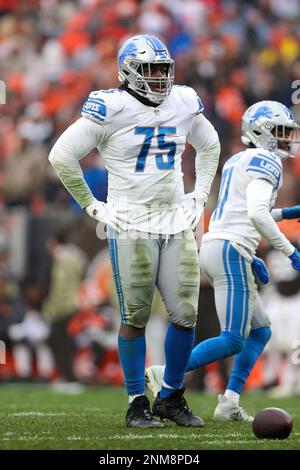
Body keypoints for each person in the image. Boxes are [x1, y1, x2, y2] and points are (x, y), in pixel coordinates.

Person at [48, 34, 220, 428]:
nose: (159, 77)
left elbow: (209, 145)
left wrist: (200, 194)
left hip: (175, 219)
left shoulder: (183, 101)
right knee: (136, 315)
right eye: (150, 69)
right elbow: (62, 155)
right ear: (128, 71)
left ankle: (171, 396)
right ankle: (135, 402)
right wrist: (93, 205)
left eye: (163, 69)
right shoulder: (112, 106)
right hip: (131, 222)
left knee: (185, 314)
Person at [146, 100, 300, 422]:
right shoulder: (267, 160)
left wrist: (286, 214)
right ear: (262, 132)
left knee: (260, 331)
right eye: (283, 132)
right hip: (231, 249)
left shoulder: (239, 160)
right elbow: (256, 214)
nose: (288, 139)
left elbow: (246, 212)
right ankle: (168, 372)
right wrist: (289, 250)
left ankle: (229, 401)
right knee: (233, 338)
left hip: (220, 246)